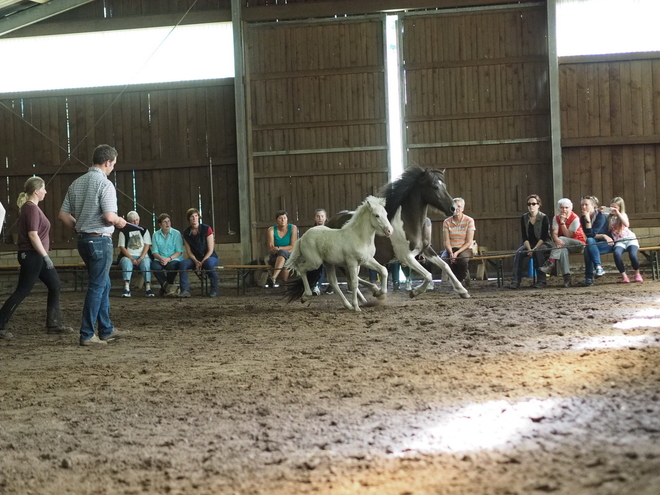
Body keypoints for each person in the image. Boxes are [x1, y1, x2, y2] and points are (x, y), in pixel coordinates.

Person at [59, 144, 127, 346]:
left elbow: (63, 215)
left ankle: (106, 329)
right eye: (113, 164)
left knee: (103, 283)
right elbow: (108, 216)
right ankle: (88, 333)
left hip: (83, 240)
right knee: (97, 286)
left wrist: (80, 227)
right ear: (107, 162)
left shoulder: (76, 184)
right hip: (100, 240)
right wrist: (119, 221)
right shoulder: (105, 185)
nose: (113, 167)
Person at [0, 177, 73, 340]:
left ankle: (54, 323)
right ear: (36, 191)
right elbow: (33, 235)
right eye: (43, 188)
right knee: (23, 290)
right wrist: (45, 256)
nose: (45, 191)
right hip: (33, 255)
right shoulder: (31, 209)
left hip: (35, 255)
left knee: (55, 285)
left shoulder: (30, 208)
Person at [539, 198, 586, 288]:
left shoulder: (575, 218)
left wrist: (562, 222)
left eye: (566, 207)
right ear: (558, 208)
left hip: (578, 243)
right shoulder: (555, 217)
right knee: (563, 250)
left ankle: (550, 262)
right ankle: (567, 279)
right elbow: (554, 233)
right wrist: (556, 239)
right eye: (561, 207)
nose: (564, 210)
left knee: (561, 239)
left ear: (570, 208)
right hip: (564, 244)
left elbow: (568, 235)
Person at [509, 194, 550, 289]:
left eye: (534, 204)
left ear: (538, 205)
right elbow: (524, 237)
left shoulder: (544, 218)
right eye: (529, 204)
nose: (531, 206)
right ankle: (515, 281)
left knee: (538, 252)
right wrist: (529, 249)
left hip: (543, 243)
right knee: (519, 252)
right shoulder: (524, 218)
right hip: (529, 244)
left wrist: (533, 249)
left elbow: (543, 237)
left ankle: (541, 280)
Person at [179, 208, 220, 298]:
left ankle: (214, 289)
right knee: (182, 264)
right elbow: (189, 252)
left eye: (196, 216)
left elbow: (210, 249)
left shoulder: (206, 229)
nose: (194, 218)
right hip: (195, 258)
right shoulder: (186, 233)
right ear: (189, 219)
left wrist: (202, 262)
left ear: (199, 217)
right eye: (192, 216)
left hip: (210, 257)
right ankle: (184, 290)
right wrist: (196, 262)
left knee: (208, 263)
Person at [118, 210, 154, 298]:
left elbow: (147, 245)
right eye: (133, 221)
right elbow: (122, 247)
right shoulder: (123, 231)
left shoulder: (144, 230)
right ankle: (127, 288)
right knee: (126, 263)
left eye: (137, 220)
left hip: (142, 255)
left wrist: (141, 257)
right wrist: (131, 258)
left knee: (146, 263)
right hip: (128, 256)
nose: (135, 222)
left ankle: (148, 288)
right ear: (129, 221)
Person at [441, 197, 475, 287]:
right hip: (451, 247)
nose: (456, 209)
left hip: (465, 248)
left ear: (463, 208)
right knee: (445, 260)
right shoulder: (446, 222)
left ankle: (459, 281)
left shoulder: (469, 221)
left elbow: (468, 242)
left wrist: (457, 253)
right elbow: (446, 241)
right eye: (454, 206)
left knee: (462, 259)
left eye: (459, 206)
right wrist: (451, 253)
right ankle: (459, 278)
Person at [580, 195, 612, 286]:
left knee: (589, 245)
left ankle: (589, 277)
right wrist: (603, 235)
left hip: (606, 243)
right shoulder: (583, 218)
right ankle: (598, 268)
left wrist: (588, 221)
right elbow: (589, 235)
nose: (584, 207)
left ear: (593, 206)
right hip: (594, 243)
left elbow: (592, 234)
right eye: (582, 205)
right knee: (589, 245)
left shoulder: (600, 216)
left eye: (586, 205)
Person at [608, 197, 643, 283]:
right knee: (616, 254)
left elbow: (627, 224)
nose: (613, 209)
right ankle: (624, 276)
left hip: (630, 239)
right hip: (619, 241)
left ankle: (637, 273)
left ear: (620, 208)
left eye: (615, 207)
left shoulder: (623, 215)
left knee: (632, 255)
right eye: (611, 207)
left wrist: (618, 213)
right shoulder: (609, 217)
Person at [150, 213, 184, 296]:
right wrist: (161, 258)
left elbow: (179, 251)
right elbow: (154, 251)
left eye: (169, 221)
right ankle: (168, 287)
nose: (167, 223)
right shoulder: (155, 235)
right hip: (160, 258)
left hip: (173, 258)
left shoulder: (176, 234)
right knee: (154, 266)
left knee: (172, 266)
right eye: (165, 222)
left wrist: (168, 259)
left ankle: (164, 288)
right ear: (160, 225)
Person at [266, 210, 298, 287]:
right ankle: (285, 286)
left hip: (291, 255)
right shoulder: (271, 229)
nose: (283, 220)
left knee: (282, 253)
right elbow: (271, 248)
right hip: (275, 256)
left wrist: (278, 248)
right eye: (280, 218)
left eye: (284, 218)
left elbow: (293, 246)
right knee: (284, 260)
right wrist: (278, 249)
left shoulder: (293, 228)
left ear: (287, 219)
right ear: (276, 220)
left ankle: (273, 278)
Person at [312, 208, 327, 296]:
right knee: (320, 265)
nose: (320, 218)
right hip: (316, 255)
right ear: (315, 218)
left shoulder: (330, 230)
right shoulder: (311, 232)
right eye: (318, 216)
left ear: (325, 218)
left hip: (329, 254)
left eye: (322, 216)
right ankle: (316, 286)